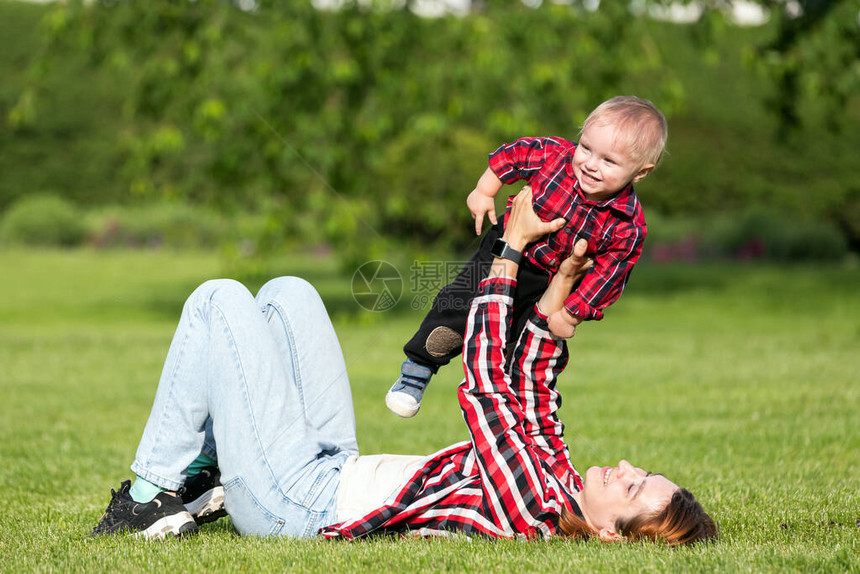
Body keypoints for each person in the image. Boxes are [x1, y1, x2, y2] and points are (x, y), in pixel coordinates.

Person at [92, 189, 715, 545]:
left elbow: (492, 385)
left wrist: (512, 249)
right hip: (330, 464)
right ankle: (207, 476)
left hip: (299, 504)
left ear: (611, 534)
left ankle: (148, 496)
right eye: (643, 472)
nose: (627, 468)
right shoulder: (556, 478)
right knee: (288, 293)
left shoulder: (533, 508)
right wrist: (556, 298)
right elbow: (533, 388)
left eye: (632, 488)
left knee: (218, 301)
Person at [387, 96, 664, 418]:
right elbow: (514, 155)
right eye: (586, 148)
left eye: (609, 161)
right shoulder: (555, 157)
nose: (590, 163)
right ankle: (416, 371)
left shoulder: (627, 225)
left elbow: (611, 274)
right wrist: (484, 190)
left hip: (548, 282)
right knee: (458, 305)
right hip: (503, 248)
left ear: (641, 172)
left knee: (523, 341)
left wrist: (573, 313)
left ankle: (505, 404)